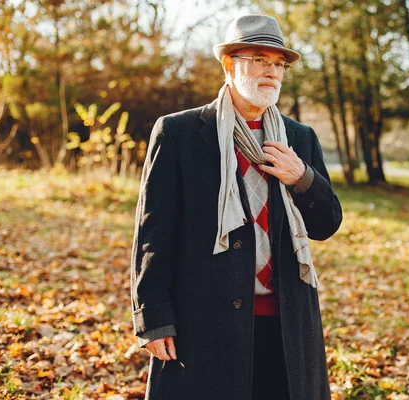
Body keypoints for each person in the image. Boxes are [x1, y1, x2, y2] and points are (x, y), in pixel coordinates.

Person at [130, 14, 342, 400]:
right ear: (228, 64)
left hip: (287, 325)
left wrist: (303, 178)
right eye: (259, 59)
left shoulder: (299, 138)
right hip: (204, 323)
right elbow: (153, 235)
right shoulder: (179, 133)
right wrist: (154, 318)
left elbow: (326, 224)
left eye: (279, 64)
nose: (272, 72)